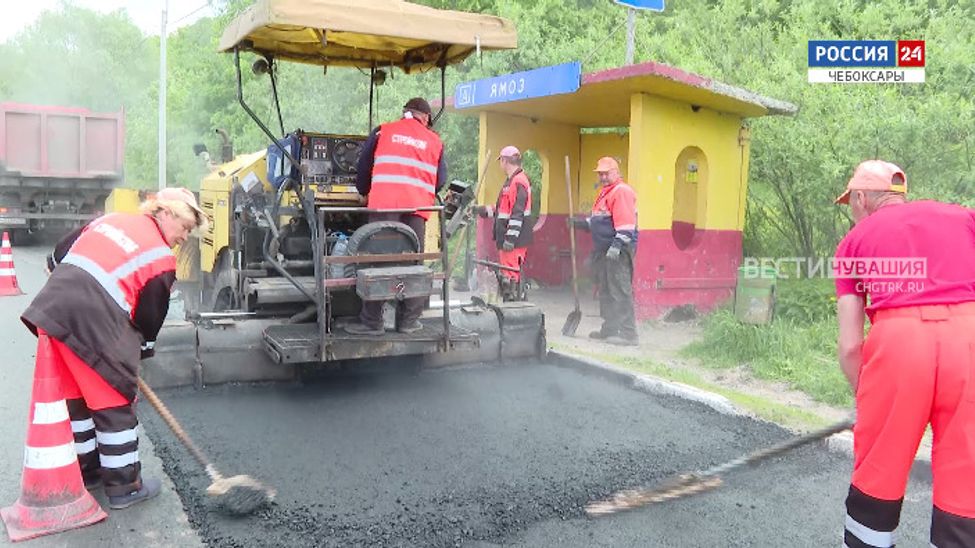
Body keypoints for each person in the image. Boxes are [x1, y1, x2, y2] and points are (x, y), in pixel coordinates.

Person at [23, 187, 207, 510]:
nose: (183, 238)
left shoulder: (111, 220)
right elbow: (148, 322)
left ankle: (89, 469)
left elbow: (56, 256)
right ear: (165, 213)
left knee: (77, 397)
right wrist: (134, 363)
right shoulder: (160, 259)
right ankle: (124, 486)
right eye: (185, 227)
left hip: (53, 312)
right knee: (116, 397)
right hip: (93, 320)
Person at [833, 159, 975, 548]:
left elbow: (849, 346)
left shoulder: (852, 244)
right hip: (969, 341)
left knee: (879, 472)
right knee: (967, 481)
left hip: (898, 348)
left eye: (850, 203)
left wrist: (869, 397)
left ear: (861, 198)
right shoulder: (963, 217)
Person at [347, 97, 447, 335]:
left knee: (379, 262)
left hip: (385, 208)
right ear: (426, 118)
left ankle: (372, 323)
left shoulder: (383, 131)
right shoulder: (435, 141)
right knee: (413, 263)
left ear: (405, 113)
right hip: (417, 211)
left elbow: (363, 168)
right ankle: (408, 322)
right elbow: (440, 180)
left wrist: (363, 192)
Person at [571, 157, 639, 346]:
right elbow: (599, 221)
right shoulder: (604, 193)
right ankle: (610, 329)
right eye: (600, 173)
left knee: (620, 290)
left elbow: (626, 225)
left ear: (616, 172)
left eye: (606, 173)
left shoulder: (621, 191)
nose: (603, 176)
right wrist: (581, 223)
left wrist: (616, 246)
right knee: (606, 291)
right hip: (604, 250)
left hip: (618, 249)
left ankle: (628, 334)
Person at [475, 145, 533, 301]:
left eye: (501, 161)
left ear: (505, 161)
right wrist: (480, 210)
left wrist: (510, 239)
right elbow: (502, 210)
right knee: (508, 274)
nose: (500, 164)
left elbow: (517, 213)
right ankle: (512, 303)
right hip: (509, 237)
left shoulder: (519, 181)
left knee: (510, 275)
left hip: (514, 240)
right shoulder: (511, 181)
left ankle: (514, 307)